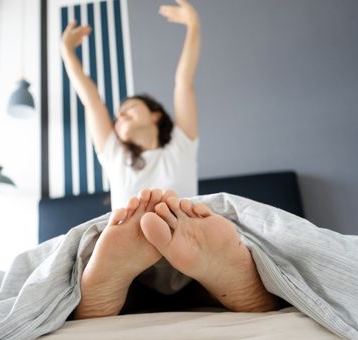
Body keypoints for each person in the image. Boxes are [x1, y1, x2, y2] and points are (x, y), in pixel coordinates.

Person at [60, 0, 201, 209]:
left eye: (130, 108)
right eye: (117, 118)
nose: (121, 117)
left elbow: (183, 82)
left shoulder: (181, 148)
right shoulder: (116, 156)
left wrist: (194, 26)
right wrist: (67, 52)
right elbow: (91, 101)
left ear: (156, 115)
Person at [74, 188, 281, 319]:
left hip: (186, 230)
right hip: (154, 233)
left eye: (128, 113)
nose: (122, 115)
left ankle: (94, 302)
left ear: (157, 117)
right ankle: (241, 287)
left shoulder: (182, 143)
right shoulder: (112, 150)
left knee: (140, 292)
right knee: (192, 287)